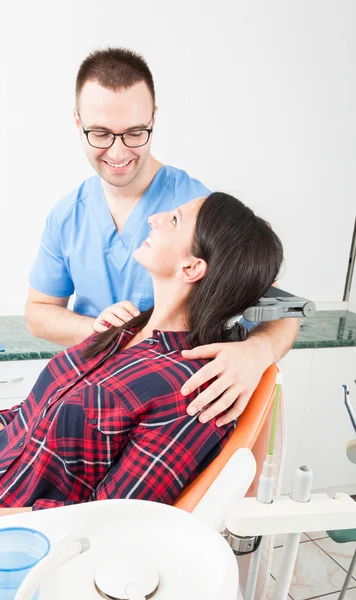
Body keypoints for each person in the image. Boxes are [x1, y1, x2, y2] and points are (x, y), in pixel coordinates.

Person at [0, 193, 283, 522]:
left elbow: (107, 518)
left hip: (0, 537)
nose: (154, 218)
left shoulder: (190, 392)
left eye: (173, 220)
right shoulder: (122, 328)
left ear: (191, 267)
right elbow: (27, 417)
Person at [26, 47, 299, 428]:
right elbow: (38, 312)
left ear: (153, 119)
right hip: (90, 399)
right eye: (101, 133)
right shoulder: (67, 215)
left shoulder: (193, 209)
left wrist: (258, 351)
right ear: (77, 122)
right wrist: (97, 330)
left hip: (170, 408)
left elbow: (284, 307)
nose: (118, 152)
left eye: (135, 133)